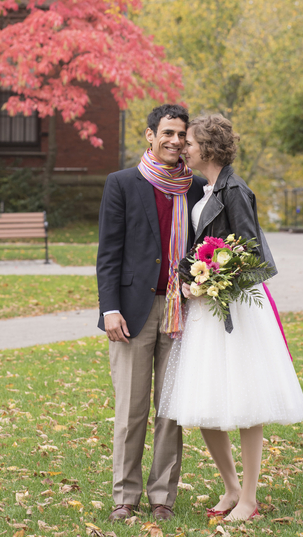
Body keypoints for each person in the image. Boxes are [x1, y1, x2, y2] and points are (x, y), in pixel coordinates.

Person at [159, 114, 303, 521]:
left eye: (189, 142)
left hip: (235, 312)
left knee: (245, 404)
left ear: (206, 147)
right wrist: (192, 279)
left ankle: (250, 498)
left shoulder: (236, 191)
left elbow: (254, 257)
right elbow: (203, 246)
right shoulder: (204, 190)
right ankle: (231, 489)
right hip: (206, 312)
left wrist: (210, 282)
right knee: (204, 401)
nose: (183, 148)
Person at [97, 104, 206, 522]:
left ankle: (163, 496)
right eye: (168, 133)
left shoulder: (196, 188)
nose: (175, 141)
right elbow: (108, 254)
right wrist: (109, 309)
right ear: (150, 135)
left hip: (183, 310)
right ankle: (125, 496)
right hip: (132, 312)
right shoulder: (122, 183)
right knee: (131, 409)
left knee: (171, 411)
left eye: (182, 134)